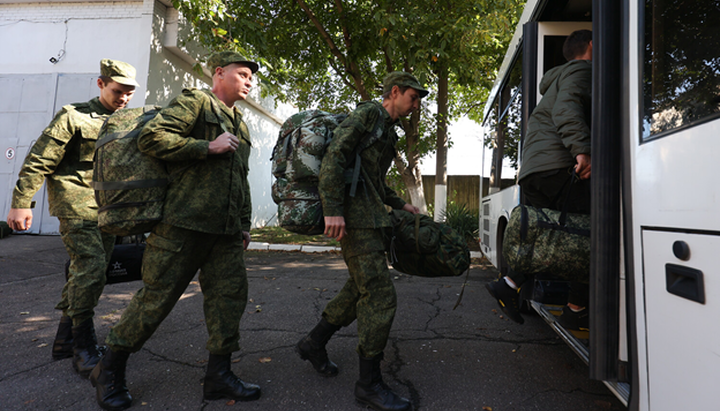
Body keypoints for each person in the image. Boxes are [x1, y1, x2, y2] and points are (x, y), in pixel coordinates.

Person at [89, 51, 260, 411]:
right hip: (183, 223)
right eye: (242, 74)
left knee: (230, 300)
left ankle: (218, 375)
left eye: (251, 78)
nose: (249, 82)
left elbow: (239, 179)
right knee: (157, 299)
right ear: (219, 74)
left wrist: (243, 224)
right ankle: (109, 367)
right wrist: (205, 146)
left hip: (224, 232)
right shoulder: (196, 102)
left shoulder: (240, 123)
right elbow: (151, 138)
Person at [295, 71, 427, 411]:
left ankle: (314, 342)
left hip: (371, 219)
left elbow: (374, 180)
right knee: (380, 294)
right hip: (354, 220)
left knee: (359, 288)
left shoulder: (387, 130)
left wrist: (401, 204)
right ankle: (369, 384)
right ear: (394, 92)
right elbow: (335, 156)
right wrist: (333, 209)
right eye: (413, 97)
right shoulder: (369, 114)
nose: (416, 105)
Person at [6, 59, 138, 377]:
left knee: (91, 272)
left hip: (108, 210)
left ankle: (65, 340)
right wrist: (22, 202)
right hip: (76, 205)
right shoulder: (73, 116)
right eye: (118, 91)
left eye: (129, 93)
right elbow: (39, 158)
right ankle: (83, 349)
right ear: (100, 83)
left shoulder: (128, 122)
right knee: (91, 269)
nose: (123, 98)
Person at [486, 29, 593, 330]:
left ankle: (508, 284)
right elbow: (566, 109)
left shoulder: (556, 78)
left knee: (555, 234)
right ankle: (575, 309)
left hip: (534, 170)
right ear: (593, 45)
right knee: (590, 233)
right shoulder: (582, 70)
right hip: (556, 167)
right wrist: (582, 150)